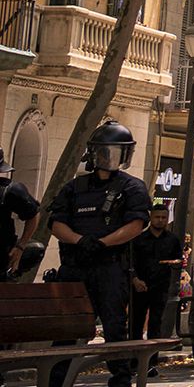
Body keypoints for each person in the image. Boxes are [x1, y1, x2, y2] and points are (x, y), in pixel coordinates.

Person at [46, 121, 151, 387]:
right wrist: (80, 240)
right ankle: (56, 380)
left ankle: (120, 379)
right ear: (94, 153)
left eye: (117, 152)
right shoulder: (74, 188)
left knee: (115, 328)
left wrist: (103, 243)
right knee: (68, 329)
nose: (111, 158)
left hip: (110, 268)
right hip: (75, 267)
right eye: (106, 152)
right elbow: (57, 223)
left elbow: (136, 225)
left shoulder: (132, 187)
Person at [128, 200, 184, 351]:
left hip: (161, 286)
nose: (160, 220)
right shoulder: (138, 240)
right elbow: (130, 262)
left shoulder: (172, 240)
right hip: (140, 286)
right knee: (136, 324)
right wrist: (135, 279)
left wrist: (174, 263)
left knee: (156, 323)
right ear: (151, 218)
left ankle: (151, 361)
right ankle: (134, 359)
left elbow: (179, 260)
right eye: (157, 217)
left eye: (163, 218)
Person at [0, 152, 42, 282]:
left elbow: (33, 215)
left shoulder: (10, 190)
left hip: (1, 260)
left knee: (37, 249)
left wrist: (20, 247)